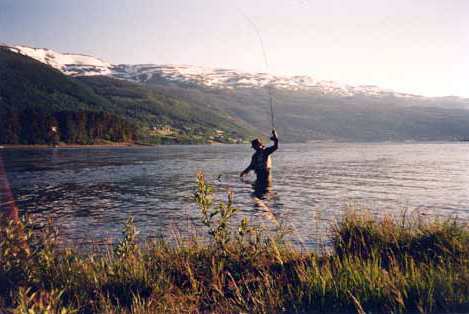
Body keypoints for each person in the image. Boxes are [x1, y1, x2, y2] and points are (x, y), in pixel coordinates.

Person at [240, 130, 278, 198]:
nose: (254, 148)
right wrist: (244, 172)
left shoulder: (266, 151)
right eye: (254, 147)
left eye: (255, 146)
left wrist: (275, 137)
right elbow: (251, 166)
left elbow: (275, 147)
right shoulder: (255, 155)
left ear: (260, 145)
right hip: (259, 174)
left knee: (265, 192)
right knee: (256, 192)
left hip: (266, 174)